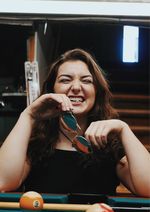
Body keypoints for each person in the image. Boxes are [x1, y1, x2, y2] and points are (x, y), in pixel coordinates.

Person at [0, 48, 149, 197]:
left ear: (96, 91)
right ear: (52, 89)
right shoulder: (34, 141)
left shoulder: (110, 145)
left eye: (86, 81)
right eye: (65, 80)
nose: (76, 88)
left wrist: (124, 129)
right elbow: (3, 182)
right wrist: (29, 115)